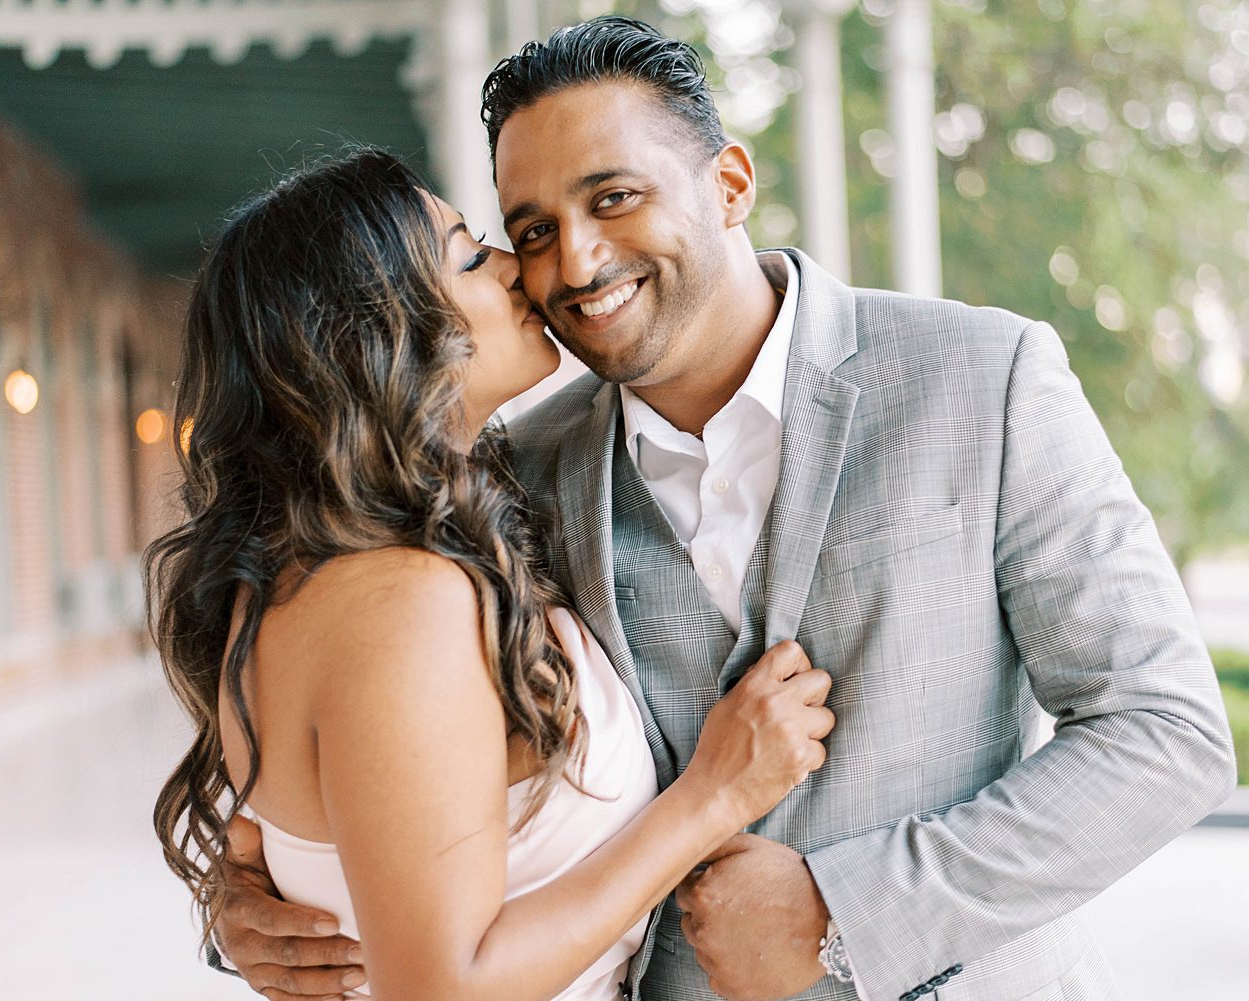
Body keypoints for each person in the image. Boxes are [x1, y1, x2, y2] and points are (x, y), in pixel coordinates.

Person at [214, 17, 1236, 1001]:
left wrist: (850, 909)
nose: (572, 262)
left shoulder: (984, 376)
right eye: (529, 231)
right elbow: (375, 764)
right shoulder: (506, 478)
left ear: (731, 183)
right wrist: (250, 896)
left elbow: (1165, 731)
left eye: (613, 196)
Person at [149, 147, 838, 1001]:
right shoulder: (399, 600)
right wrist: (712, 795)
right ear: (378, 336)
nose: (521, 269)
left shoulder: (333, 565)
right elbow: (442, 984)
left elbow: (319, 856)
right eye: (473, 255)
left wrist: (237, 897)